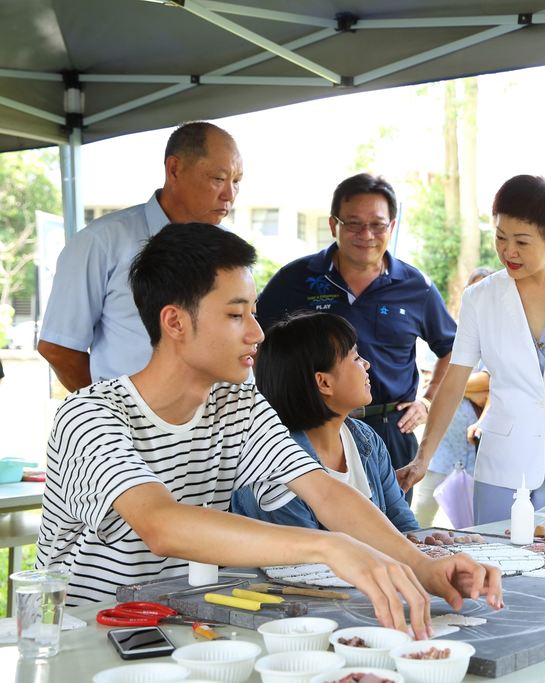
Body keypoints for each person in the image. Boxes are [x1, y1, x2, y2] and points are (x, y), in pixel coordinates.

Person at [35, 223, 502, 636]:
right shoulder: (89, 415)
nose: (257, 333)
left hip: (187, 628)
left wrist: (423, 567)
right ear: (175, 321)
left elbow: (324, 492)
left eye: (254, 312)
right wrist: (328, 546)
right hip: (84, 637)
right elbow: (161, 524)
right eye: (236, 315)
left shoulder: (237, 403)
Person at [400, 175, 545, 524]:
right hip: (503, 466)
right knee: (497, 570)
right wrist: (423, 457)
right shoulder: (479, 298)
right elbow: (455, 380)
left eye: (521, 242)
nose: (508, 252)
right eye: (501, 237)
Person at [256, 174, 456, 490]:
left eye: (377, 225)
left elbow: (452, 349)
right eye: (353, 223)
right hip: (310, 430)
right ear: (334, 224)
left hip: (390, 431)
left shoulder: (416, 286)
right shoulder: (294, 279)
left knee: (392, 530)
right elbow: (255, 341)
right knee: (315, 529)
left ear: (391, 226)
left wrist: (427, 401)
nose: (366, 235)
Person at [37, 121, 244, 391]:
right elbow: (58, 348)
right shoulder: (101, 242)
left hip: (223, 427)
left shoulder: (232, 249)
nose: (230, 195)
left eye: (237, 182)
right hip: (134, 429)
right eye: (218, 179)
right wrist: (116, 414)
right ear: (174, 169)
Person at [231, 311, 418, 532]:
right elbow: (305, 562)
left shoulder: (366, 439)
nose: (366, 365)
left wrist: (426, 552)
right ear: (323, 382)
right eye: (356, 357)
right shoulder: (275, 463)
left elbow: (405, 527)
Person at [410, 267, 494, 527]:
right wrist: (475, 387)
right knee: (422, 511)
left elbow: (492, 382)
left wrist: (456, 385)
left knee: (471, 521)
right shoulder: (448, 335)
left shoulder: (498, 339)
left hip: (478, 449)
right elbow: (430, 381)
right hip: (443, 445)